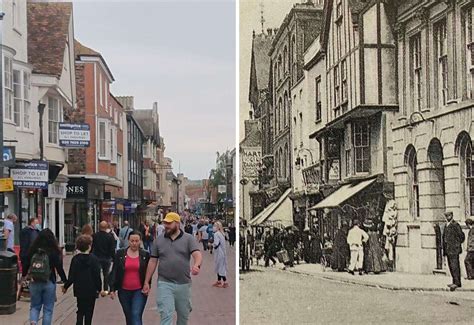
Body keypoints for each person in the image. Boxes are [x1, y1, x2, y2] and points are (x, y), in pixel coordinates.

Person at [142, 212, 202, 325]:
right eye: (165, 223)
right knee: (166, 314)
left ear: (177, 223)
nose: (166, 226)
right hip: (165, 283)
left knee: (183, 316)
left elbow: (197, 254)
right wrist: (146, 281)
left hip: (183, 284)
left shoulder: (188, 239)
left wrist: (196, 265)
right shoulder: (158, 240)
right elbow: (153, 261)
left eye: (169, 223)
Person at [25, 229, 67, 325]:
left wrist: (24, 275)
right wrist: (65, 281)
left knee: (35, 306)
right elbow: (59, 268)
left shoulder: (33, 250)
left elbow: (26, 263)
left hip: (34, 281)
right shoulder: (54, 251)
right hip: (49, 281)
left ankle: (33, 321)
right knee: (48, 309)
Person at [109, 231, 150, 325]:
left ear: (140, 241)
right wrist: (112, 288)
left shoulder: (145, 255)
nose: (134, 243)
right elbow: (115, 271)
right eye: (132, 241)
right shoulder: (120, 254)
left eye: (136, 241)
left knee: (136, 314)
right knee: (129, 316)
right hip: (123, 290)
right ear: (128, 241)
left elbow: (148, 272)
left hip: (139, 291)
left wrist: (147, 284)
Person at [63, 235, 102, 325]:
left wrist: (66, 287)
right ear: (89, 246)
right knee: (89, 311)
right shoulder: (94, 259)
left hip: (79, 288)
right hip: (91, 289)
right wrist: (99, 288)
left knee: (80, 309)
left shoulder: (75, 259)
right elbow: (97, 276)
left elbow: (71, 276)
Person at [91, 221, 116, 296]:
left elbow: (92, 247)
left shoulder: (94, 236)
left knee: (96, 274)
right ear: (106, 228)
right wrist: (114, 258)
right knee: (106, 274)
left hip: (96, 257)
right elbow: (112, 249)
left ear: (99, 227)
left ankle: (97, 289)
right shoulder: (110, 236)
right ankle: (105, 289)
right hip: (106, 258)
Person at [443, 211, 465, 291]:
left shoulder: (455, 225)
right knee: (451, 266)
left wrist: (456, 245)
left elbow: (462, 236)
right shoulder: (446, 225)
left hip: (454, 250)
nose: (447, 217)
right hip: (448, 249)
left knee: (455, 266)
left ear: (452, 216)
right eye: (446, 216)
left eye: (449, 215)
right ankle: (454, 281)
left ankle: (457, 282)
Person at [212, 221, 228, 288]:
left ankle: (225, 282)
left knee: (220, 268)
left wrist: (211, 245)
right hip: (222, 253)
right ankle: (219, 281)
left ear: (218, 227)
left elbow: (216, 244)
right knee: (219, 267)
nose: (213, 227)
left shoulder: (216, 234)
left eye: (215, 226)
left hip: (219, 253)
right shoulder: (222, 234)